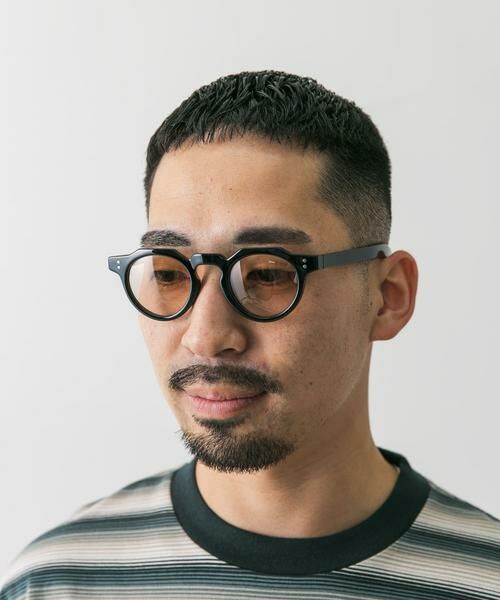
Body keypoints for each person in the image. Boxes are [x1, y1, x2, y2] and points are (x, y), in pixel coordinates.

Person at [1, 69, 499, 599]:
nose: (205, 336)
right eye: (169, 273)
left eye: (266, 273)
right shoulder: (58, 583)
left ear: (388, 295)